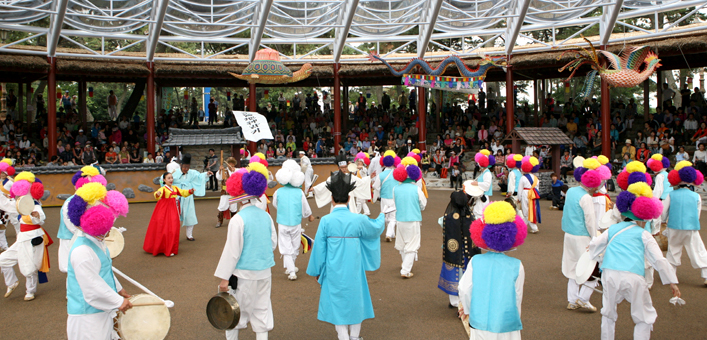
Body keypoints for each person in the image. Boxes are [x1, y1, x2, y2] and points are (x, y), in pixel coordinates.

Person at [588, 171, 679, 340]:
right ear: (645, 216)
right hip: (634, 276)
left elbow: (594, 246)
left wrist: (595, 257)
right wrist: (672, 282)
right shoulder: (644, 234)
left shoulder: (613, 229)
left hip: (610, 275)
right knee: (644, 316)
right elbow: (658, 259)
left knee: (608, 314)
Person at [306, 171, 385, 340]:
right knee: (355, 298)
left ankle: (343, 336)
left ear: (332, 199)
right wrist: (383, 215)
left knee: (336, 300)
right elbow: (375, 229)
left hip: (333, 267)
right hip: (354, 267)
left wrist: (317, 270)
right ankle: (354, 336)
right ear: (349, 199)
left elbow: (319, 247)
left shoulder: (326, 221)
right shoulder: (358, 219)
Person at [214, 165, 276, 340]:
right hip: (264, 272)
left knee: (233, 314)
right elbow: (272, 243)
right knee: (262, 312)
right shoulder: (266, 216)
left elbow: (232, 251)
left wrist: (224, 278)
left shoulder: (238, 220)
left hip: (243, 275)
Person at [64, 182, 130, 340]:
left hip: (100, 309)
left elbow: (104, 269)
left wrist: (118, 288)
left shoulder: (96, 241)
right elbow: (91, 286)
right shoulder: (82, 251)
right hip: (86, 317)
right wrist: (118, 300)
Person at [458, 201, 527, 340]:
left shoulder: (475, 261)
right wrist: (514, 317)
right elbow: (517, 296)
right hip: (507, 322)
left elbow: (464, 289)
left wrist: (467, 310)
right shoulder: (517, 265)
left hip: (480, 320)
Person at [0, 172, 48, 301]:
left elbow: (41, 217)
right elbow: (4, 204)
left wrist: (36, 216)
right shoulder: (18, 203)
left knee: (30, 266)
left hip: (33, 237)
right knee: (3, 259)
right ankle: (11, 282)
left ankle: (30, 291)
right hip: (22, 238)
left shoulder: (35, 204)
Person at [561, 161, 601, 312]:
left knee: (572, 267)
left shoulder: (571, 191)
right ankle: (583, 298)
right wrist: (595, 237)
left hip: (569, 234)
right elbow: (590, 220)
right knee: (591, 268)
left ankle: (572, 299)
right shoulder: (586, 198)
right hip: (582, 236)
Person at [660, 161, 707, 285]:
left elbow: (664, 212)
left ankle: (671, 277)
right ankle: (706, 275)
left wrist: (663, 221)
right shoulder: (696, 196)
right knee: (698, 250)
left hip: (674, 227)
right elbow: (697, 214)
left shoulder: (671, 194)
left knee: (673, 250)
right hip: (691, 227)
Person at [58, 167, 107, 273]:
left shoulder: (90, 200)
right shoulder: (70, 202)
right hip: (70, 238)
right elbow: (70, 224)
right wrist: (91, 234)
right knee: (71, 269)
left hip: (85, 238)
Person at [273, 160, 314, 281]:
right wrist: (309, 216)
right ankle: (291, 269)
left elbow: (276, 205)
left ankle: (290, 268)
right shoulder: (299, 192)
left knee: (286, 246)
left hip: (282, 221)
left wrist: (283, 210)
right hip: (296, 222)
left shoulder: (278, 192)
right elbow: (305, 207)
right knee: (295, 246)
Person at [438, 190, 480, 308]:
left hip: (453, 253)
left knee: (455, 273)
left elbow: (440, 222)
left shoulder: (446, 218)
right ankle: (466, 300)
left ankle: (455, 302)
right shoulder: (472, 217)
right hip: (469, 253)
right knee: (467, 275)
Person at [143, 172, 194, 257]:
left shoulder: (175, 188)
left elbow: (183, 192)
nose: (171, 180)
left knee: (173, 228)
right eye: (168, 178)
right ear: (164, 180)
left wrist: (190, 191)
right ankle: (165, 248)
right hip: (165, 211)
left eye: (171, 178)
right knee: (165, 229)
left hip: (174, 210)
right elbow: (157, 194)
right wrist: (157, 194)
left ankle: (171, 248)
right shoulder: (163, 189)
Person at [393, 159, 426, 278]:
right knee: (412, 245)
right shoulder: (416, 189)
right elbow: (423, 204)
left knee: (402, 244)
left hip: (400, 219)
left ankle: (405, 264)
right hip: (413, 219)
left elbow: (395, 203)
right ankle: (405, 270)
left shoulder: (395, 188)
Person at [171, 154, 210, 241]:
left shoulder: (192, 172)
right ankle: (174, 235)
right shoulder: (174, 172)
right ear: (181, 165)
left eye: (188, 167)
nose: (186, 169)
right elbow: (165, 179)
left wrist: (206, 174)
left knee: (190, 215)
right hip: (177, 197)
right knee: (175, 217)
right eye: (184, 167)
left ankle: (189, 235)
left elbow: (200, 177)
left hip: (188, 197)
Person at [372, 150, 399, 242]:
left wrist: (380, 190)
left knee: (384, 215)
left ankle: (387, 232)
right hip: (394, 197)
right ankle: (389, 234)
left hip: (383, 197)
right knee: (393, 217)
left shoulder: (381, 174)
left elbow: (375, 186)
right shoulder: (397, 173)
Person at [517, 156, 542, 233]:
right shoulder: (536, 178)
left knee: (525, 211)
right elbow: (537, 188)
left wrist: (519, 198)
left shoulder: (523, 178)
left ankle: (528, 227)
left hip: (525, 193)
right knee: (532, 210)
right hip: (533, 194)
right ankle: (527, 226)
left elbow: (520, 189)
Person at [215, 157, 239, 228]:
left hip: (233, 192)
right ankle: (219, 221)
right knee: (222, 206)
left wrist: (235, 171)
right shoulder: (224, 170)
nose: (231, 165)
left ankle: (234, 222)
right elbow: (218, 177)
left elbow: (242, 172)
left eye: (232, 163)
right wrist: (220, 170)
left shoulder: (237, 170)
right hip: (225, 192)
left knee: (233, 208)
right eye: (230, 163)